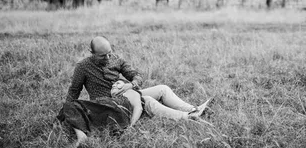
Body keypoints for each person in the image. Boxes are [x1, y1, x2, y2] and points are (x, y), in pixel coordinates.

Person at [59, 36, 211, 133]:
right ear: (90, 52)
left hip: (128, 93)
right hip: (108, 103)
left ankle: (193, 109)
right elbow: (73, 91)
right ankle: (188, 117)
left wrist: (131, 85)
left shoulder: (116, 59)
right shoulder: (82, 66)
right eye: (102, 56)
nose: (108, 57)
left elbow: (136, 75)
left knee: (163, 89)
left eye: (109, 53)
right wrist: (63, 115)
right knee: (148, 101)